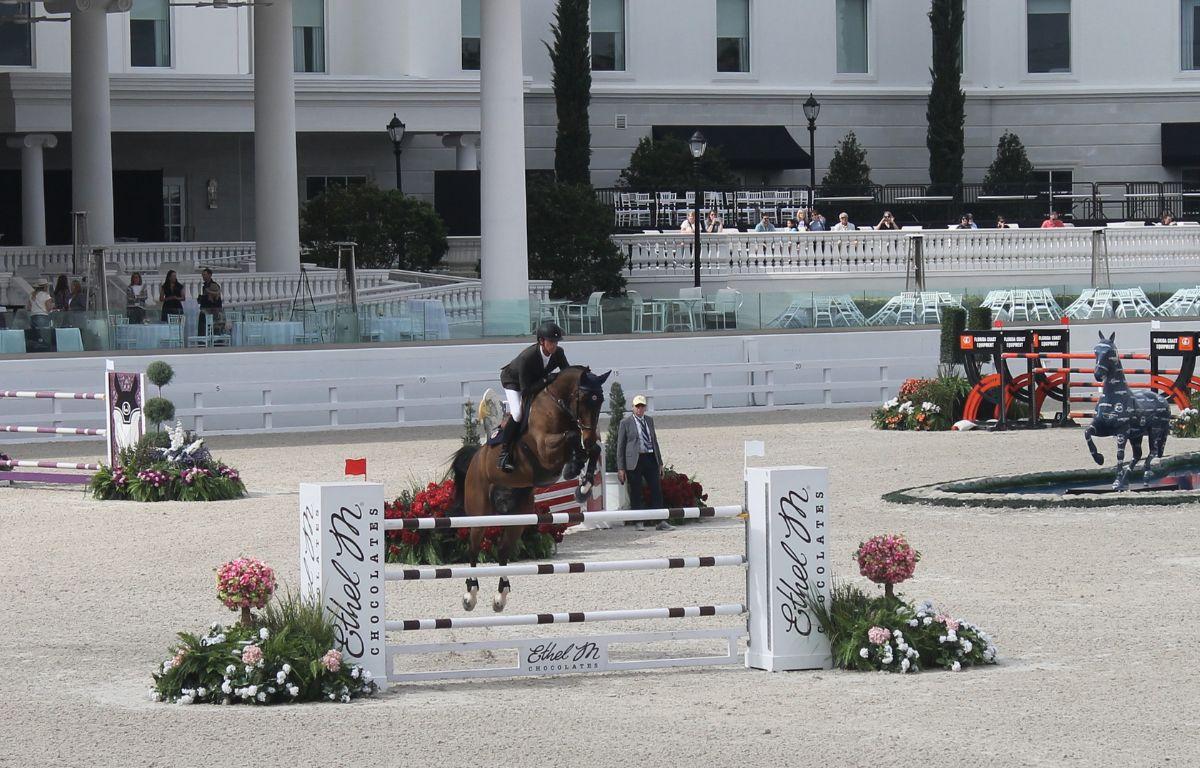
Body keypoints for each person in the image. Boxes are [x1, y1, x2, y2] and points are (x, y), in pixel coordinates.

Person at [495, 321, 570, 473]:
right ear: (541, 341)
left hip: (535, 380)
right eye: (551, 342)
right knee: (517, 414)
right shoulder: (527, 358)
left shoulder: (558, 353)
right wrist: (547, 380)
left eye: (556, 342)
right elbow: (527, 390)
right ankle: (504, 453)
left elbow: (566, 374)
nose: (554, 345)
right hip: (514, 382)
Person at [616, 394, 673, 531]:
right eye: (637, 406)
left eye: (642, 406)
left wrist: (659, 462)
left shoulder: (649, 420)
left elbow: (654, 441)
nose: (640, 409)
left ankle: (660, 521)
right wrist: (621, 468)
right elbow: (620, 445)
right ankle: (638, 521)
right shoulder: (625, 423)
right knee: (636, 490)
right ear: (633, 407)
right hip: (634, 460)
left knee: (656, 489)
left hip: (649, 457)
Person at [197, 267, 224, 335]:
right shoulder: (205, 285)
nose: (203, 276)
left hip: (213, 310)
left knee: (215, 328)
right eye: (203, 275)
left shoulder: (214, 285)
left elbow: (216, 296)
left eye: (205, 275)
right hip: (206, 309)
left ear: (209, 275)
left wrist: (208, 295)